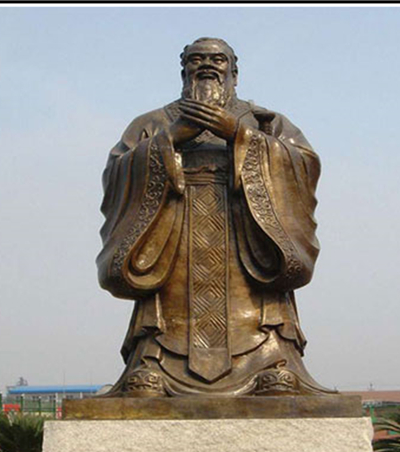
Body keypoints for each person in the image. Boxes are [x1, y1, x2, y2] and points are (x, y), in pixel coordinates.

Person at [96, 37, 333, 397]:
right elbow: (117, 174)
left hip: (245, 228)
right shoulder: (152, 123)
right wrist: (168, 140)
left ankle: (270, 362)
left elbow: (304, 164)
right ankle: (154, 363)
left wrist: (241, 135)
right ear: (184, 70)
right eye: (197, 59)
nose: (207, 64)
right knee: (167, 317)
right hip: (175, 227)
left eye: (217, 59)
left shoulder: (266, 121)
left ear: (234, 71)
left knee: (259, 311)